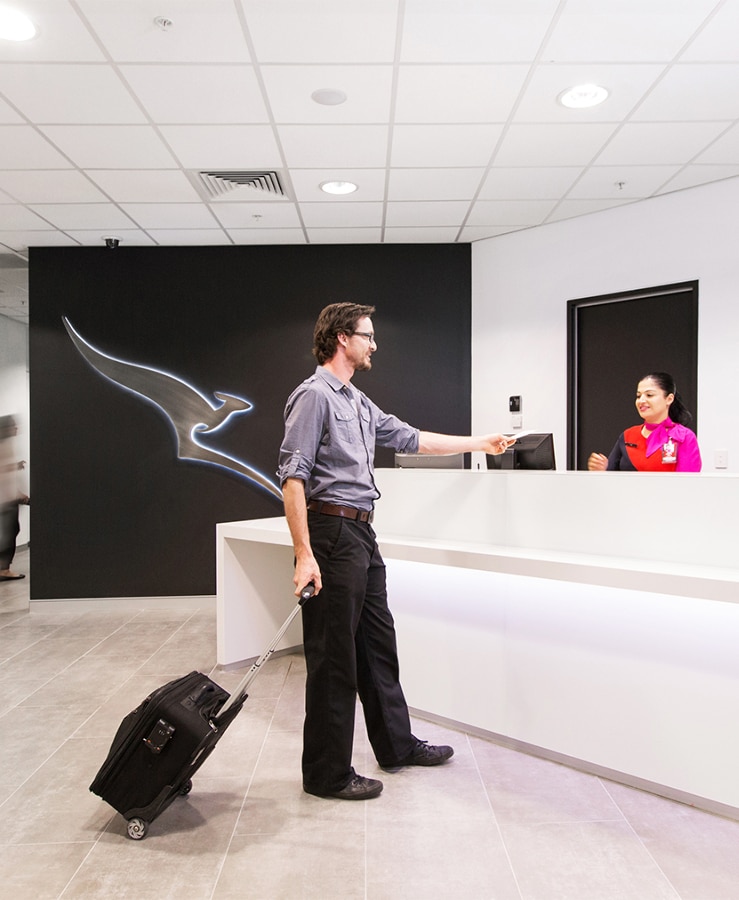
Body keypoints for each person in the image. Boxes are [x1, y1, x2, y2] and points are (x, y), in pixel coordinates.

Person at [277, 302, 513, 801]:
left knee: (377, 647)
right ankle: (327, 774)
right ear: (342, 338)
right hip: (330, 532)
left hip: (361, 534)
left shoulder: (358, 404)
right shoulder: (313, 397)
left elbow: (413, 439)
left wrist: (480, 443)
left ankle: (397, 746)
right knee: (334, 658)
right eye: (367, 335)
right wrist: (304, 554)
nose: (374, 344)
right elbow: (293, 478)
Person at [588, 372, 701, 472]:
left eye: (649, 395)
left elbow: (688, 485)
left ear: (669, 399)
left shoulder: (683, 437)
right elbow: (612, 477)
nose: (641, 400)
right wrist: (601, 470)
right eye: (638, 396)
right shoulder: (628, 435)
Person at [0, 414, 29, 580]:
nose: (16, 429)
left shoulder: (5, 445)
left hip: (7, 499)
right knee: (10, 532)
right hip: (6, 501)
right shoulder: (4, 447)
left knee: (9, 532)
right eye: (13, 426)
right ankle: (4, 569)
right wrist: (17, 495)